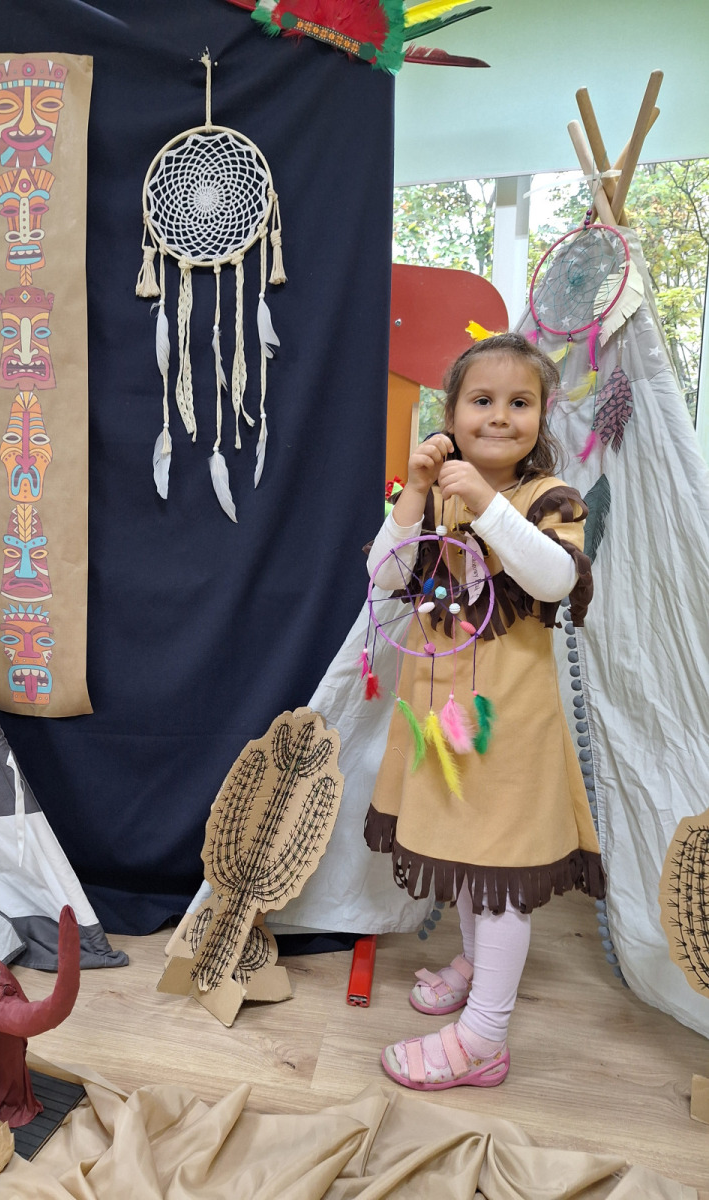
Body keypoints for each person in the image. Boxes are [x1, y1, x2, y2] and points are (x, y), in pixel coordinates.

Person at [364, 332, 605, 1091]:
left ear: (541, 416)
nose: (500, 416)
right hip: (443, 717)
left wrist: (487, 503)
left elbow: (553, 580)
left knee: (500, 864)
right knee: (469, 853)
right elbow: (383, 577)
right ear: (452, 416)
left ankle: (484, 1038)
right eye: (482, 400)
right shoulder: (436, 494)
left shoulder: (552, 499)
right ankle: (475, 962)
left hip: (511, 723)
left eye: (520, 402)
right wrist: (414, 494)